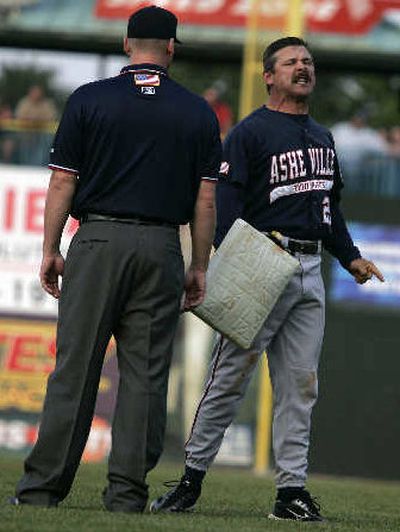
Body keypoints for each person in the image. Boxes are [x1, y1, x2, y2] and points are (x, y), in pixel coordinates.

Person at [150, 37, 384, 522]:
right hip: (261, 265)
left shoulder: (323, 136)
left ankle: (290, 491)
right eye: (292, 62)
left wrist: (350, 256)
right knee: (229, 378)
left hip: (310, 269)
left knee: (301, 384)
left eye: (308, 62)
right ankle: (190, 480)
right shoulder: (250, 133)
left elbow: (329, 208)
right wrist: (242, 258)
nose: (303, 68)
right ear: (270, 77)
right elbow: (225, 202)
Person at [11, 5, 221, 512]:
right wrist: (198, 266)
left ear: (127, 44)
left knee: (75, 369)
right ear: (171, 47)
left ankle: (42, 492)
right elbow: (206, 200)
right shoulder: (197, 111)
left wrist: (49, 249)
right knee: (146, 377)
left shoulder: (89, 99)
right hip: (159, 248)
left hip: (98, 241)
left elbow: (63, 180)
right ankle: (127, 494)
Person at [15, 84, 58, 165]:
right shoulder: (24, 102)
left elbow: (52, 117)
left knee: (46, 144)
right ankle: (24, 166)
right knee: (24, 151)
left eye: (38, 92)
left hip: (43, 137)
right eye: (34, 92)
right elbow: (19, 116)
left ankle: (41, 166)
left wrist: (35, 119)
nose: (36, 95)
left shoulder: (47, 103)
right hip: (26, 136)